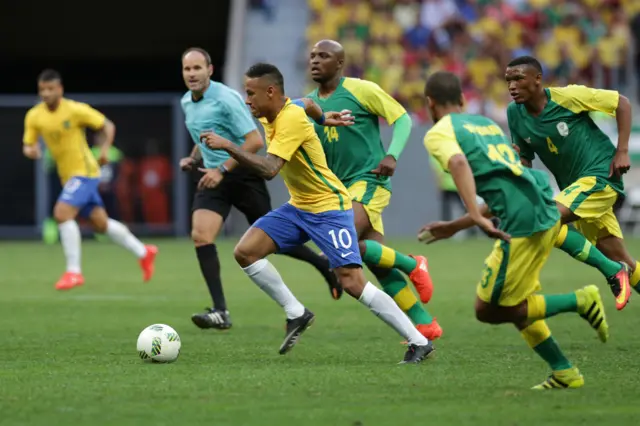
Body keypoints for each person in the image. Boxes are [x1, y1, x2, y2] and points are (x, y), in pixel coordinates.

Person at [201, 62, 433, 363]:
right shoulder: (286, 108)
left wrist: (228, 146)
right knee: (246, 251)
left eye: (250, 94)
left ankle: (419, 340)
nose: (247, 101)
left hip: (328, 208)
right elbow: (309, 103)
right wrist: (325, 119)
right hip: (299, 207)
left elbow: (270, 169)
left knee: (351, 281)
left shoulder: (290, 119)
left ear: (270, 92)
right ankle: (296, 312)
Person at [420, 71, 609, 389]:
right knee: (518, 303)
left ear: (430, 104)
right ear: (463, 100)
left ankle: (581, 300)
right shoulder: (486, 125)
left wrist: (471, 214)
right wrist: (457, 225)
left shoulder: (439, 132)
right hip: (543, 208)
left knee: (490, 310)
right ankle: (564, 372)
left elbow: (458, 164)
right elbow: (507, 181)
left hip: (523, 223)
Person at [180, 48, 346, 331]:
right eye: (187, 69)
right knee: (200, 235)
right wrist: (194, 157)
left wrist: (223, 169)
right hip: (213, 178)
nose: (192, 74)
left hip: (243, 174)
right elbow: (203, 135)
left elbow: (254, 141)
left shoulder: (228, 98)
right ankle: (220, 311)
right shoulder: (187, 102)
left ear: (210, 69)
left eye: (197, 68)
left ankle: (321, 264)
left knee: (273, 241)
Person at [303, 40, 440, 340]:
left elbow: (401, 118)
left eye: (323, 56)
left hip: (368, 180)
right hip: (339, 192)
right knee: (376, 261)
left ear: (339, 63)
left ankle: (414, 263)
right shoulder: (309, 105)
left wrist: (392, 155)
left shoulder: (361, 90)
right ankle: (423, 323)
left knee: (344, 240)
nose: (315, 60)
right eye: (312, 55)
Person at [505, 55, 633, 310]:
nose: (512, 86)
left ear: (538, 79)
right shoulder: (514, 114)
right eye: (508, 80)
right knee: (622, 259)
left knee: (547, 218)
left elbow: (623, 103)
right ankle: (617, 269)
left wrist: (622, 150)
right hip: (574, 191)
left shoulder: (568, 97)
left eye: (518, 78)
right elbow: (525, 159)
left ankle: (610, 272)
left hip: (600, 176)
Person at [22, 69, 158, 290]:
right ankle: (144, 252)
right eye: (42, 90)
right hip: (68, 176)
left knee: (62, 213)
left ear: (60, 89)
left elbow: (108, 126)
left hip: (85, 172)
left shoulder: (75, 110)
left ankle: (73, 272)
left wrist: (104, 150)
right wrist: (31, 151)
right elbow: (29, 144)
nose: (46, 93)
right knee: (100, 223)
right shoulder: (35, 115)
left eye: (50, 89)